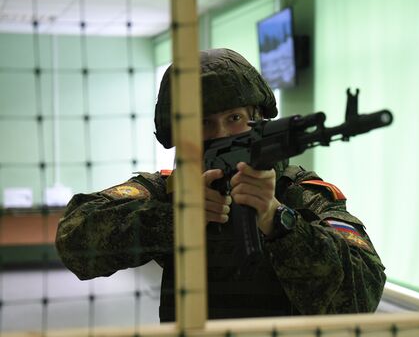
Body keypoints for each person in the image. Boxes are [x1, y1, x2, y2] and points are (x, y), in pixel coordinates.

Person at [55, 48, 386, 322]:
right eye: (203, 123)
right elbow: (74, 240)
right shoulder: (169, 190)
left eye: (235, 118)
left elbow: (362, 298)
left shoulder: (303, 194)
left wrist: (278, 221)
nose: (222, 134)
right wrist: (176, 219)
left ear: (257, 118)